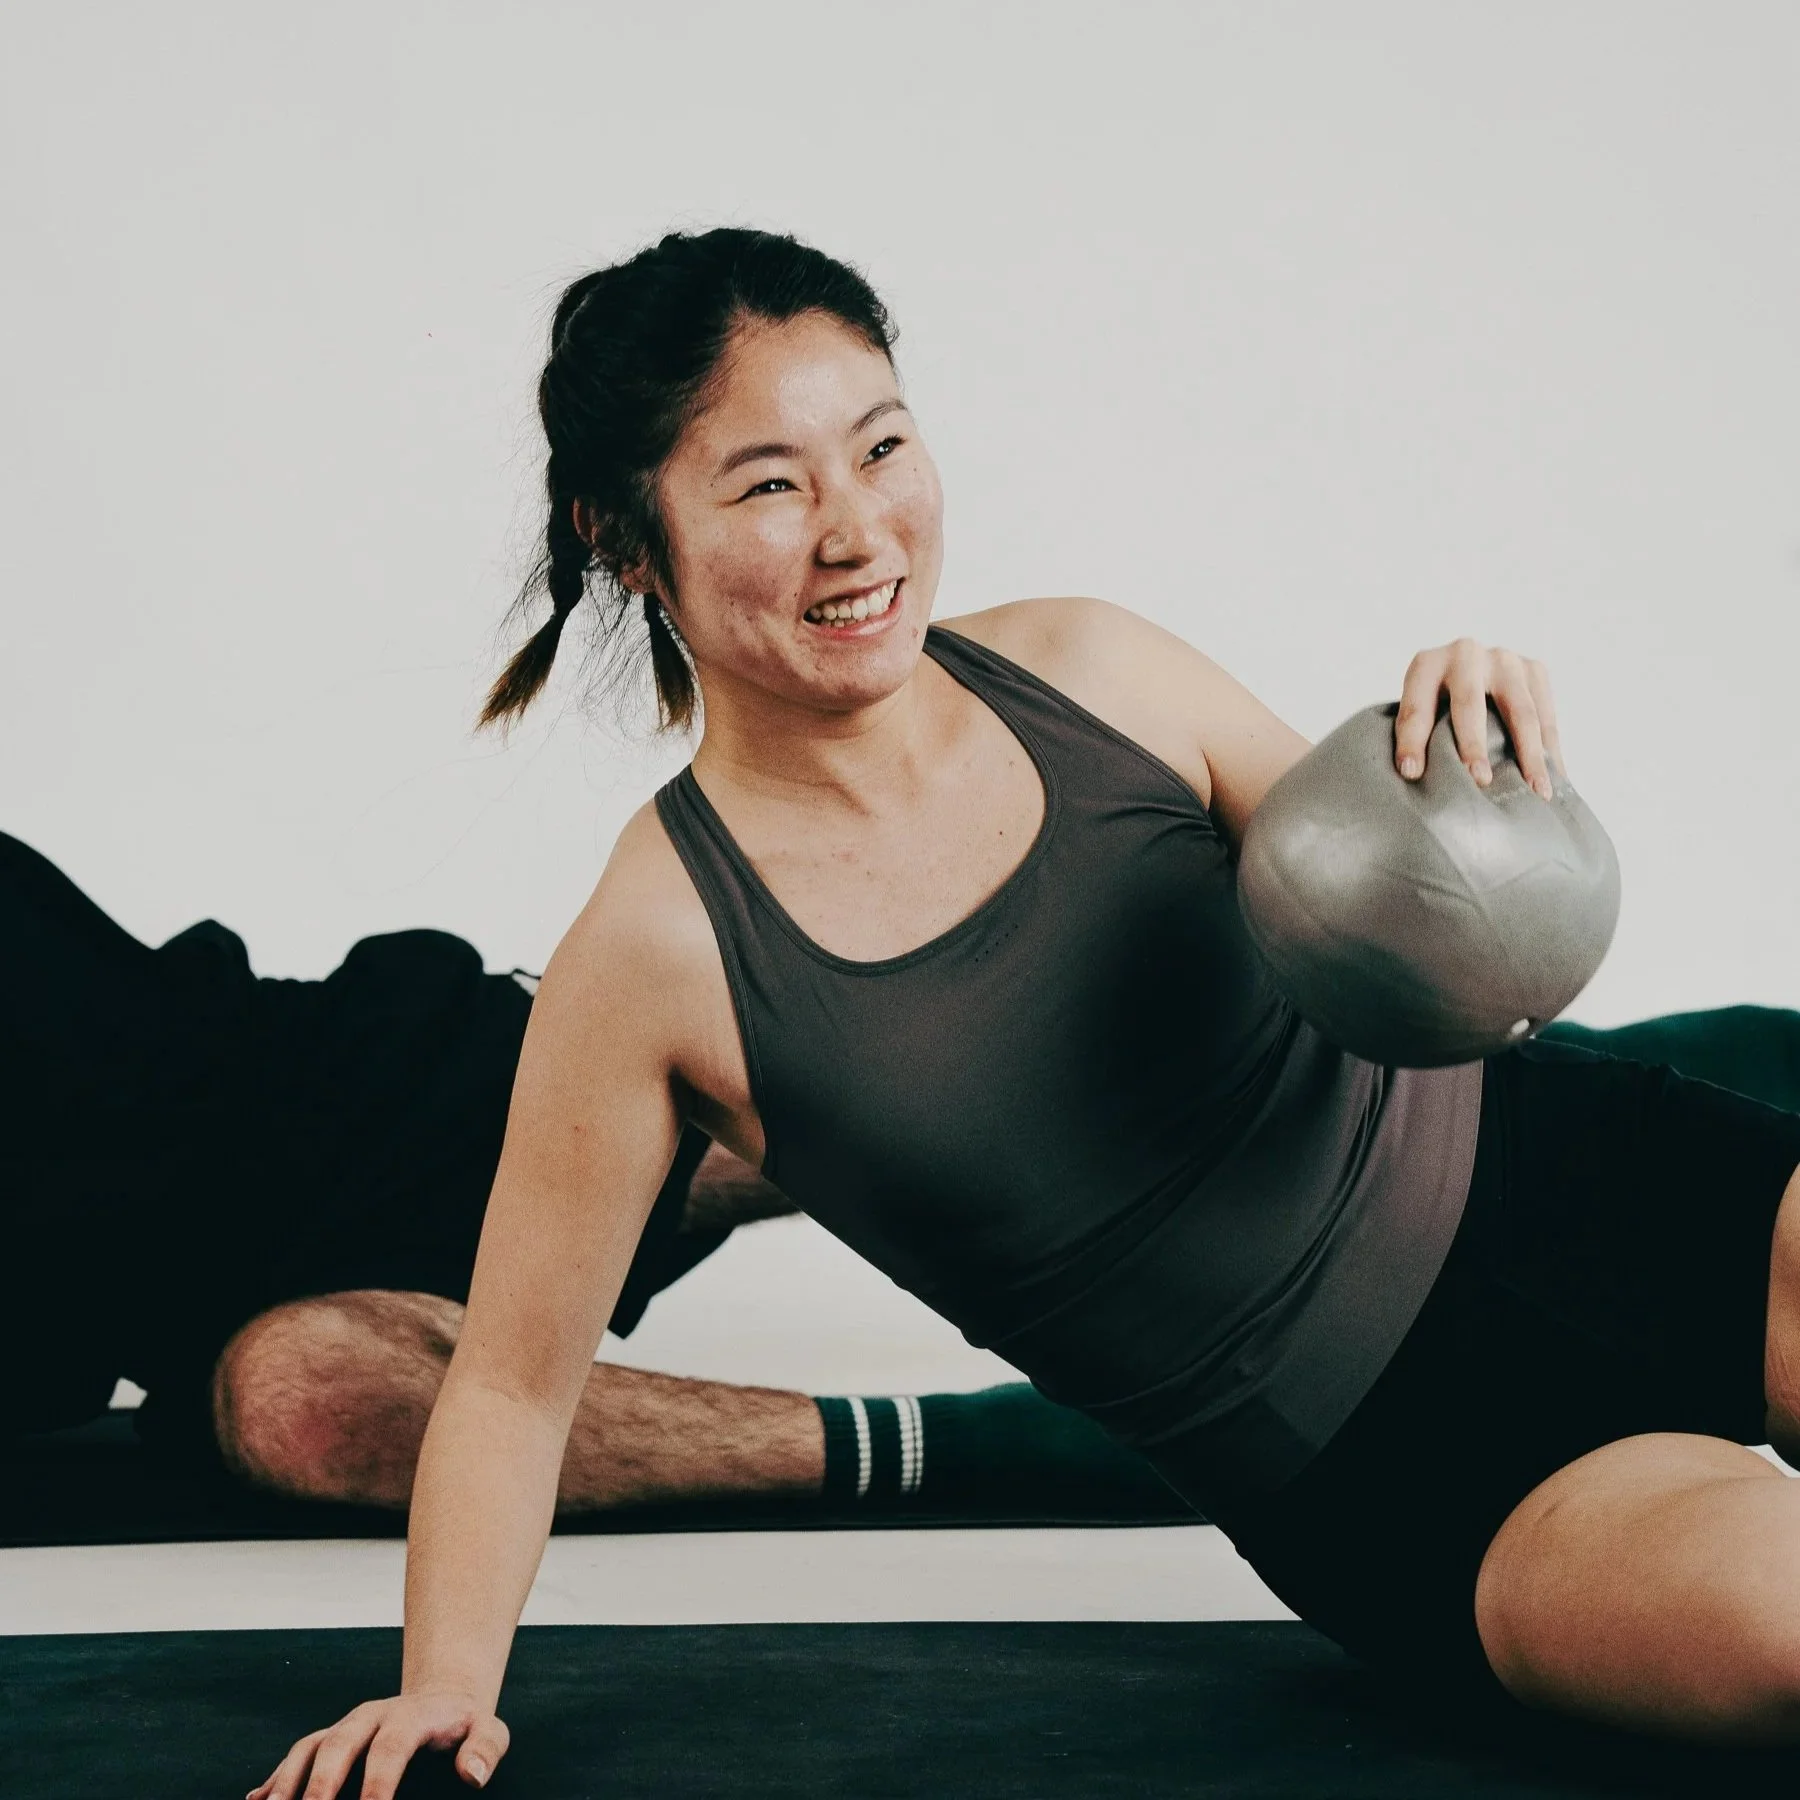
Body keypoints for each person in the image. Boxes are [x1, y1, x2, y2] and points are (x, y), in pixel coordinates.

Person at [236, 225, 1800, 1796]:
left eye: (883, 447)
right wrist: (439, 1687)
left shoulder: (1093, 671)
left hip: (1606, 1186)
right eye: (770, 485)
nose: (856, 531)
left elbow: (1438, 947)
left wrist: (1460, 755)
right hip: (1410, 1472)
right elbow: (511, 1385)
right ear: (625, 537)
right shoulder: (655, 955)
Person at [7, 827, 1789, 1525]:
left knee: (1062, 1082)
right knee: (306, 1405)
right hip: (213, 1318)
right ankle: (998, 1444)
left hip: (406, 1101)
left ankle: (1682, 1087)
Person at [3, 826, 1177, 1520]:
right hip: (175, 1333)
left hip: (308, 1100)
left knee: (786, 1109)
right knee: (301, 1404)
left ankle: (1160, 1132)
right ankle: (990, 1444)